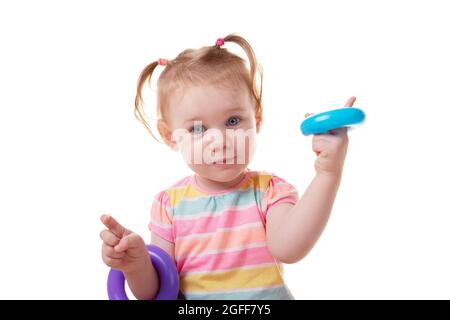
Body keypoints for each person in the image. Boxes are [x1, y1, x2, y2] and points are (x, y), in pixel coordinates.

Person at [100, 33, 355, 300]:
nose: (220, 141)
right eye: (197, 129)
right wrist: (136, 265)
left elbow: (289, 249)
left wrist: (328, 173)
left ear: (256, 119)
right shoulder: (169, 205)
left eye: (233, 121)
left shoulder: (269, 191)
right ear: (170, 136)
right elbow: (158, 292)